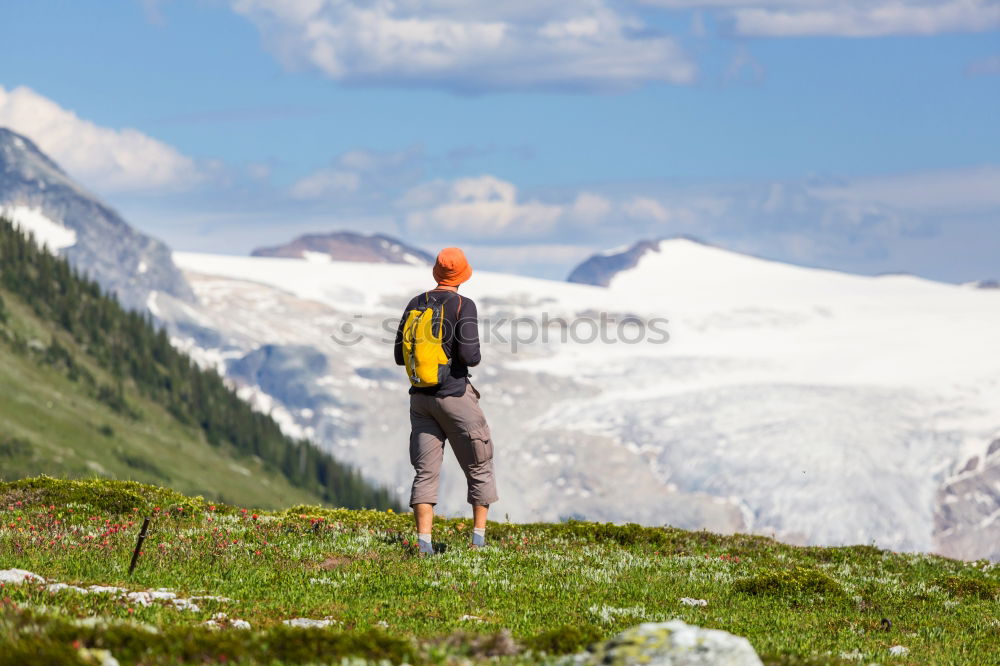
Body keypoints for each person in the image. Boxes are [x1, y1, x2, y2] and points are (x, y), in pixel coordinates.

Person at [394, 247, 498, 554]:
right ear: (464, 274)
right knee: (479, 462)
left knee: (425, 470)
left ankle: (423, 544)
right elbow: (470, 356)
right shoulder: (463, 305)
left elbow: (400, 356)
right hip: (454, 396)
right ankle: (478, 542)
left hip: (420, 400)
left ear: (436, 273)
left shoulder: (417, 303)